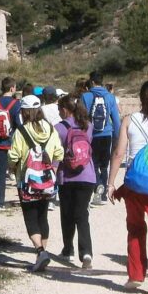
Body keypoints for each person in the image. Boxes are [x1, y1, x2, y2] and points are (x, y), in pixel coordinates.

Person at [108, 79, 148, 294]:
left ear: (140, 99)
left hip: (134, 181)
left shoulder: (129, 120)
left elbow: (118, 153)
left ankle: (135, 273)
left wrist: (111, 183)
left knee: (135, 228)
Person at [9, 95, 64, 273]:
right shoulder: (50, 129)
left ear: (23, 111)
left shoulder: (21, 131)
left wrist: (13, 168)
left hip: (26, 181)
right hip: (47, 180)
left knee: (30, 217)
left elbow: (13, 156)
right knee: (43, 216)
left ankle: (40, 252)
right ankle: (42, 253)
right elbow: (59, 153)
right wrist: (53, 169)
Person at [54, 94, 96, 268]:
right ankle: (86, 253)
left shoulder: (59, 128)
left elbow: (56, 152)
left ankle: (68, 249)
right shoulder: (89, 126)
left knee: (67, 214)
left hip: (67, 176)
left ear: (65, 110)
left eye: (59, 109)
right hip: (88, 175)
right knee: (82, 214)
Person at [80, 71, 121, 205]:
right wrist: (117, 138)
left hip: (91, 135)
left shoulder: (85, 97)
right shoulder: (110, 97)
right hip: (107, 134)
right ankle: (103, 194)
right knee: (104, 165)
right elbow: (116, 120)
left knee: (93, 164)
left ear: (91, 82)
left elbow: (81, 118)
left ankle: (97, 187)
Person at [0, 77, 22, 210]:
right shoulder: (16, 104)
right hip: (13, 143)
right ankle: (23, 198)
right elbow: (18, 124)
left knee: (0, 173)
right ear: (12, 88)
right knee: (19, 172)